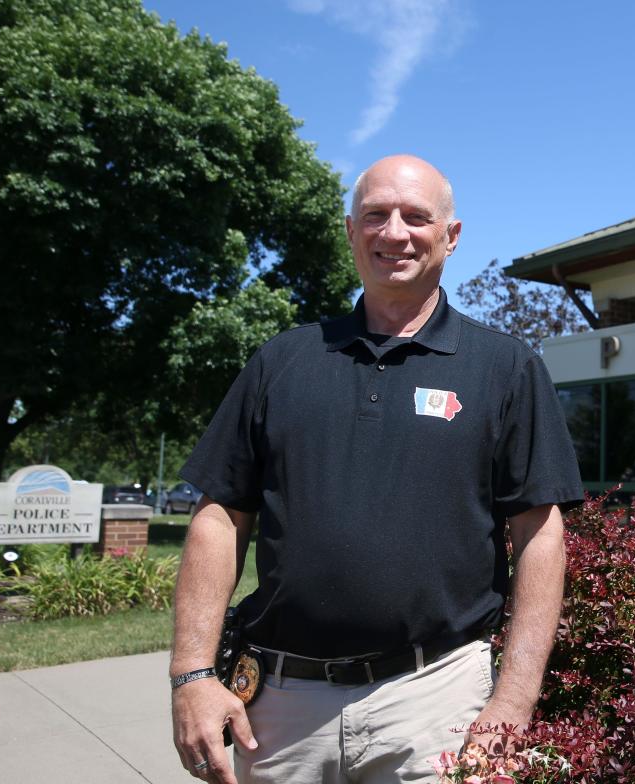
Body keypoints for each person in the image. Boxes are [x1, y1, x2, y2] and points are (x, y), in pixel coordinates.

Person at [169, 154, 584, 784]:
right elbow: (221, 516)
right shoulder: (283, 360)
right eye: (375, 216)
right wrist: (193, 674)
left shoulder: (505, 368)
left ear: (451, 234)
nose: (395, 232)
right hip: (281, 712)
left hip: (435, 702)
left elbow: (538, 535)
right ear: (350, 231)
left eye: (416, 216)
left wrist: (513, 701)